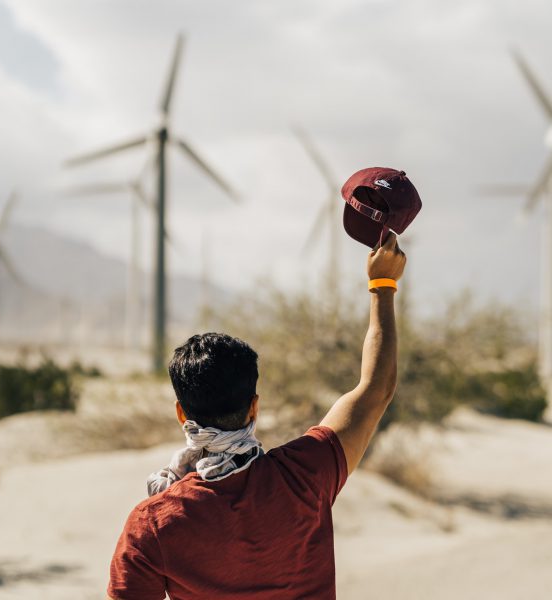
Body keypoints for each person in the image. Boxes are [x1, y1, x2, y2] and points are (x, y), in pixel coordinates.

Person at [107, 232, 406, 600]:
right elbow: (377, 388)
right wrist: (382, 284)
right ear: (254, 407)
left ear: (181, 413)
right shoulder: (306, 473)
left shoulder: (152, 524)